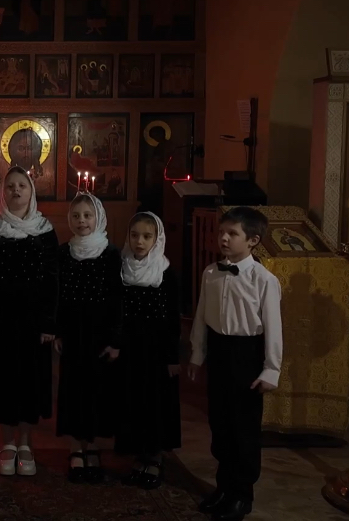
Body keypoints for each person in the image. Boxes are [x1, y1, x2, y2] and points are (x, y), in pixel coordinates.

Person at [188, 206, 282, 521]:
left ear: (253, 240)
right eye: (221, 232)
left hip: (246, 355)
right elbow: (201, 316)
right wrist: (197, 354)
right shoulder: (211, 273)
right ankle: (224, 487)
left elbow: (273, 328)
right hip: (219, 351)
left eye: (232, 234)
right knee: (220, 424)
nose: (224, 239)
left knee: (243, 428)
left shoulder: (265, 280)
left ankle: (242, 493)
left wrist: (271, 369)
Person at [0, 166, 58, 477]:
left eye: (21, 186)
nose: (16, 191)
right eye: (10, 186)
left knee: (30, 380)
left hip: (33, 321)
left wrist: (49, 323)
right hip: (1, 319)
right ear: (3, 192)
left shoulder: (45, 230)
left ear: (31, 191)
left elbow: (53, 280)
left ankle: (26, 442)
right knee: (4, 381)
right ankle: (8, 443)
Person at [54, 193, 122, 483]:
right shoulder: (63, 253)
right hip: (73, 333)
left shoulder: (111, 254)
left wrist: (116, 340)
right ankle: (75, 448)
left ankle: (92, 446)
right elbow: (57, 296)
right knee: (73, 389)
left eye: (87, 215)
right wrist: (58, 331)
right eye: (76, 216)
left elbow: (118, 299)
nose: (81, 221)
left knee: (98, 391)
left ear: (99, 218)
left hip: (100, 335)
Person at [115, 211, 181, 489]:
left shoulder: (166, 274)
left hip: (156, 352)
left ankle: (154, 457)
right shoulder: (122, 269)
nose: (139, 241)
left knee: (155, 404)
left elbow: (173, 319)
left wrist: (173, 357)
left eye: (146, 236)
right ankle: (138, 455)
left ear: (157, 239)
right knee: (132, 401)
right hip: (129, 350)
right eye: (134, 235)